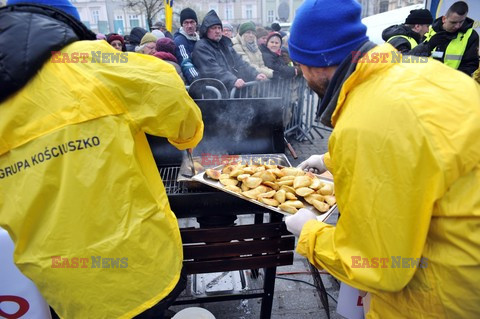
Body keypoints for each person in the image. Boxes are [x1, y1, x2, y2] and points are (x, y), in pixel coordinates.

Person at [0, 1, 204, 319]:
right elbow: (166, 86)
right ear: (66, 24)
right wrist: (186, 137)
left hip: (56, 282)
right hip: (138, 270)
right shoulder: (90, 60)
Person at [284, 0, 480, 318]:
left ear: (317, 64)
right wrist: (330, 159)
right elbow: (421, 149)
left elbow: (378, 263)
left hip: (436, 301)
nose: (301, 75)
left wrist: (310, 234)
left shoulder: (365, 125)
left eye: (300, 65)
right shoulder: (434, 75)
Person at [192, 10, 267, 91]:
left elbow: (240, 63)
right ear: (206, 30)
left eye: (219, 28)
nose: (217, 31)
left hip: (229, 91)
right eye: (213, 28)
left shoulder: (225, 45)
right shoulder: (201, 46)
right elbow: (212, 70)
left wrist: (255, 74)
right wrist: (232, 80)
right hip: (214, 95)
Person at [410, 1, 479, 76]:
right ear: (444, 19)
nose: (457, 26)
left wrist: (453, 80)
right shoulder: (429, 31)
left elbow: (470, 65)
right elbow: (412, 58)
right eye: (453, 22)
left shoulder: (470, 35)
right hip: (427, 82)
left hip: (451, 84)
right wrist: (429, 45)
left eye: (461, 22)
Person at [174, 7, 200, 84]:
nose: (189, 26)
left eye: (192, 22)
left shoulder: (199, 39)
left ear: (196, 23)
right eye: (186, 22)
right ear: (182, 25)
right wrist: (197, 80)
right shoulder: (180, 40)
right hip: (192, 82)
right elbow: (186, 63)